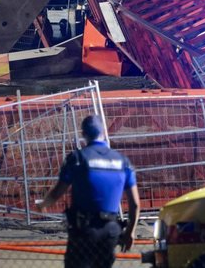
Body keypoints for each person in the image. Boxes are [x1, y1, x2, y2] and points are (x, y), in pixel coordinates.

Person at [36, 115, 140, 268]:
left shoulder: (78, 158)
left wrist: (43, 203)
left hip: (84, 230)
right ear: (104, 132)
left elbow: (57, 193)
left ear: (84, 134)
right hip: (110, 231)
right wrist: (130, 231)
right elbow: (135, 204)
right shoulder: (122, 161)